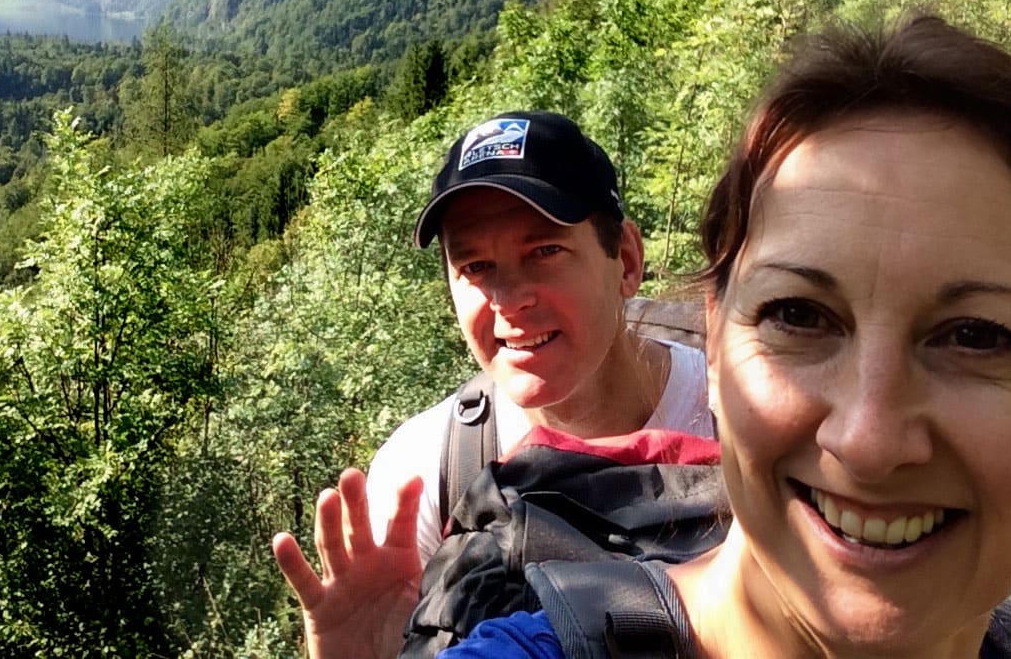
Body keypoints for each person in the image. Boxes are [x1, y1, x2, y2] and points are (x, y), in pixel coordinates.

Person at [439, 12, 1011, 658]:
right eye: (798, 315)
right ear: (714, 337)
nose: (868, 441)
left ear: (627, 260)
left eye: (978, 335)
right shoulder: (433, 468)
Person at [273, 110, 715, 659]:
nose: (509, 299)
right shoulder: (427, 474)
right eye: (476, 266)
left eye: (545, 252)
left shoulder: (740, 408)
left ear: (625, 260)